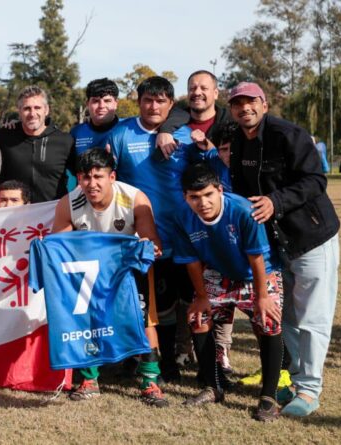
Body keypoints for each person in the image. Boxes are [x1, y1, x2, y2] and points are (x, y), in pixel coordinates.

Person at [228, 82, 340, 417]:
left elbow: (315, 180)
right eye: (238, 104)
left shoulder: (289, 134)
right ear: (232, 110)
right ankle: (293, 380)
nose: (245, 108)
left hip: (310, 237)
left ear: (264, 104)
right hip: (274, 244)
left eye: (251, 102)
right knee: (285, 316)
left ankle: (309, 390)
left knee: (312, 317)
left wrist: (275, 202)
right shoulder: (237, 140)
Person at [104, 76, 205, 382]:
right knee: (155, 305)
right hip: (143, 237)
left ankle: (202, 365)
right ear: (138, 102)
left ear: (171, 104)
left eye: (161, 101)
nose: (153, 106)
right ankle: (160, 362)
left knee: (188, 300)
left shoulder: (185, 136)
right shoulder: (121, 133)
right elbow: (108, 179)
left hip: (184, 235)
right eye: (148, 100)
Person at [52, 148, 169, 407]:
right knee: (85, 319)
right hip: (90, 269)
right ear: (78, 179)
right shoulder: (69, 203)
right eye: (85, 177)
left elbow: (151, 240)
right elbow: (59, 246)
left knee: (143, 320)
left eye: (98, 176)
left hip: (128, 268)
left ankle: (150, 380)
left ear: (112, 176)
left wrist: (151, 247)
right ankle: (89, 379)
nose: (91, 184)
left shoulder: (134, 198)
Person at [174, 164, 284, 422]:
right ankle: (213, 387)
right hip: (219, 271)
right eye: (194, 197)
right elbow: (191, 261)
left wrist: (262, 297)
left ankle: (269, 397)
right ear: (185, 197)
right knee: (198, 318)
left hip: (257, 273)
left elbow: (256, 257)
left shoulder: (243, 210)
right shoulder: (181, 216)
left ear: (220, 190)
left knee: (268, 321)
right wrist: (202, 297)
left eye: (208, 194)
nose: (203, 203)